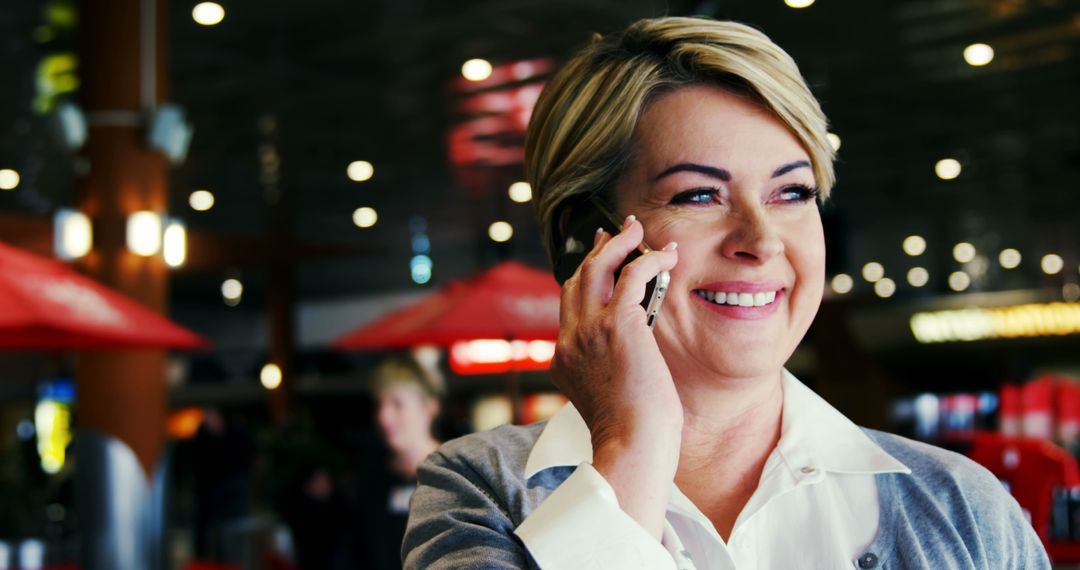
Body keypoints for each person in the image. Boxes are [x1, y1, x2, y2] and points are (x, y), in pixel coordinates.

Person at [402, 17, 1050, 569]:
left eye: (791, 192)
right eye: (699, 195)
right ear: (586, 239)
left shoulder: (965, 508)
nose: (762, 240)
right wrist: (633, 444)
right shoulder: (479, 489)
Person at [355, 355, 443, 570]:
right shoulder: (372, 481)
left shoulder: (455, 475)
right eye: (381, 404)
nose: (383, 417)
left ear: (430, 407)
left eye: (397, 404)